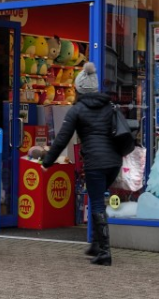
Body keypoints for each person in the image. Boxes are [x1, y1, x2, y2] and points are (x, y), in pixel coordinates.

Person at [41, 62, 121, 266]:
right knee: (97, 199)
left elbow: (61, 139)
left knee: (96, 203)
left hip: (95, 162)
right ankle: (96, 243)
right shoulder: (108, 105)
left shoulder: (77, 110)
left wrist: (47, 162)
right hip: (113, 162)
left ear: (78, 89)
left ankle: (105, 252)